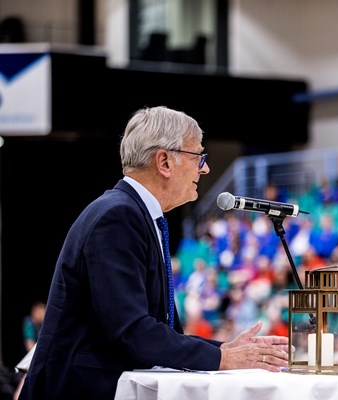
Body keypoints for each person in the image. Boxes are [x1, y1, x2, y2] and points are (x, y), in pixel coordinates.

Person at [18, 106, 289, 400]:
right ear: (164, 161)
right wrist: (224, 359)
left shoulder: (136, 214)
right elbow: (131, 331)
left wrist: (222, 349)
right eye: (199, 156)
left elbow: (158, 330)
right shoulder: (118, 217)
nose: (205, 168)